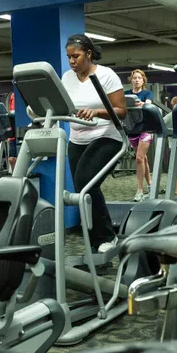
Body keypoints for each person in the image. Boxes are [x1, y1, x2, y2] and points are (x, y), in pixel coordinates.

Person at [61, 34, 126, 253]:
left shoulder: (107, 75)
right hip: (77, 138)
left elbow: (121, 111)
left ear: (88, 54)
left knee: (86, 182)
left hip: (106, 135)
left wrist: (96, 111)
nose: (71, 61)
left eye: (76, 56)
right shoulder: (67, 78)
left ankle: (107, 237)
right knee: (82, 190)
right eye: (69, 56)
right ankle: (95, 243)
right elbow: (62, 106)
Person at [126, 69, 154, 201]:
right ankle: (150, 185)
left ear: (143, 80)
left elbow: (148, 105)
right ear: (131, 80)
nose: (136, 80)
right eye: (134, 78)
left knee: (139, 158)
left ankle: (140, 190)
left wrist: (142, 104)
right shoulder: (126, 94)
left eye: (139, 78)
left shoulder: (147, 93)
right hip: (132, 129)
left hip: (146, 128)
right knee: (143, 159)